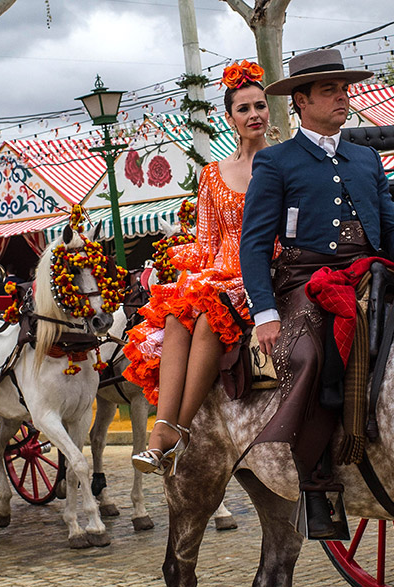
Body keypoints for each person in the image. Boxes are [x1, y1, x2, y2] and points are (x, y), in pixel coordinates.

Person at [240, 48, 394, 540]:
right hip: (305, 281)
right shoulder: (276, 162)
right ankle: (316, 481)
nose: (343, 97)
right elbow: (254, 244)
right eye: (329, 91)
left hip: (370, 271)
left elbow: (387, 217)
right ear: (300, 101)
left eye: (344, 89)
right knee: (310, 355)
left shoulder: (364, 157)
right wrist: (265, 313)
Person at [125, 61, 270, 476]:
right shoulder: (211, 174)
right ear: (230, 118)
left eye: (260, 105)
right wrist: (186, 276)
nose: (254, 114)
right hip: (220, 270)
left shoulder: (281, 164)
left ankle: (179, 429)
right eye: (244, 109)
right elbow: (206, 244)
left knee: (209, 316)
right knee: (175, 312)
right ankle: (162, 431)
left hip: (264, 269)